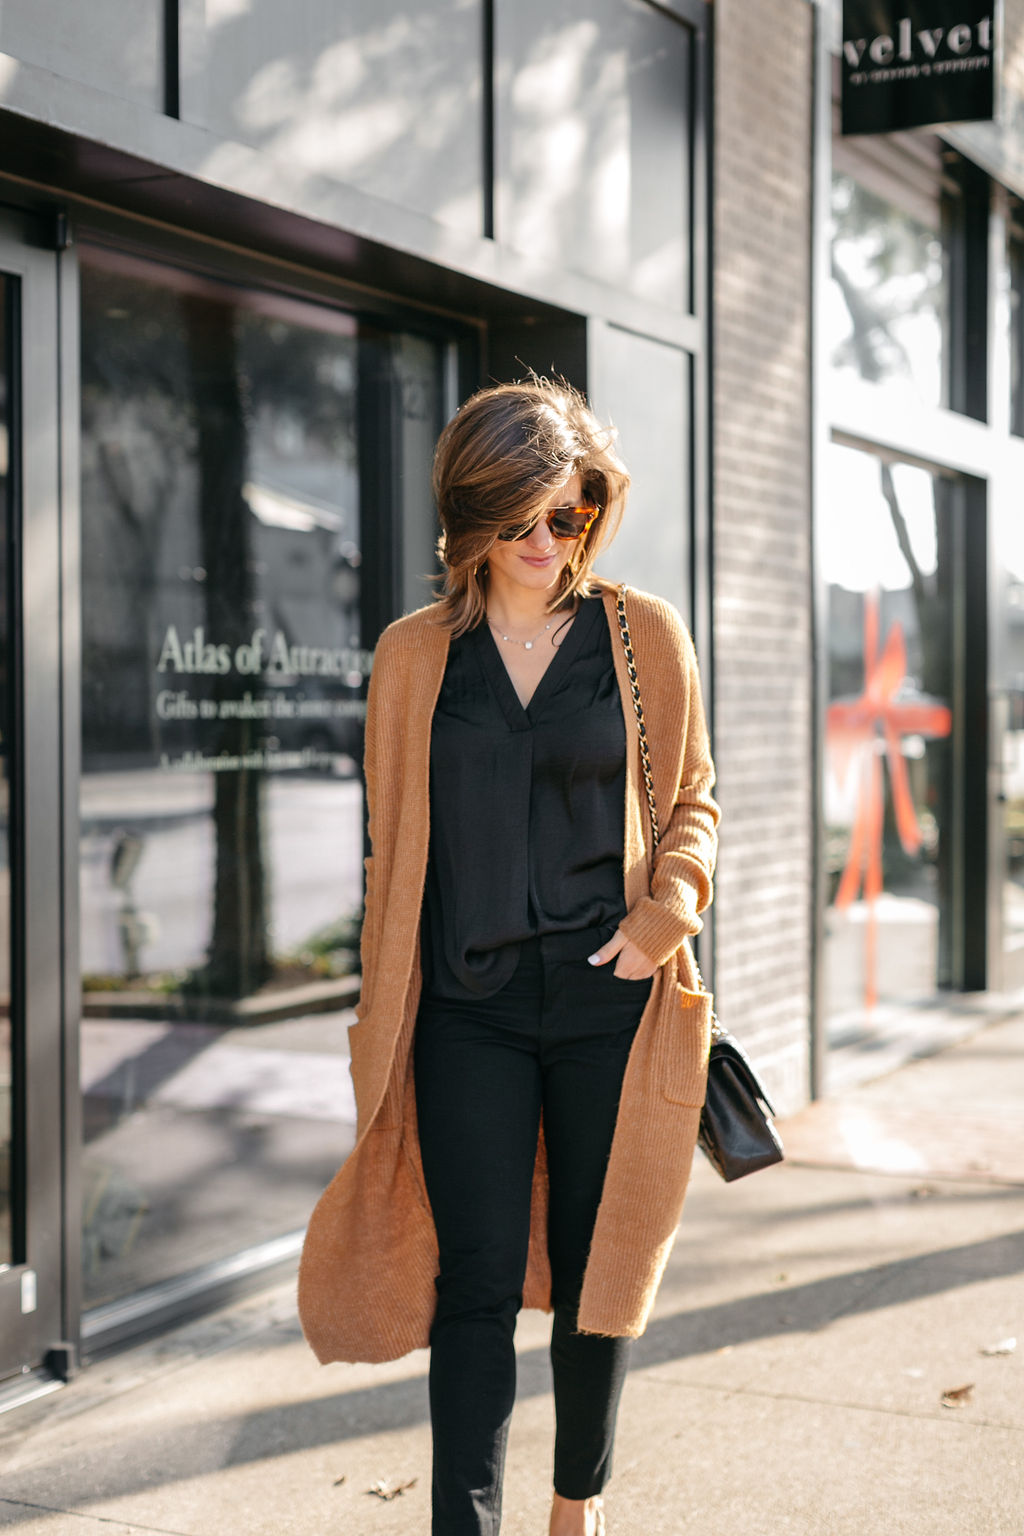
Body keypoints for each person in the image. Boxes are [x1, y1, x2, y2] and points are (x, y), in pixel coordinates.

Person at [298, 379, 720, 1536]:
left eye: (569, 517)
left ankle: (575, 1503)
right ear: (472, 520)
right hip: (466, 1011)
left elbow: (691, 799)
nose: (546, 544)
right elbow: (391, 851)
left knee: (599, 1276)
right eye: (521, 521)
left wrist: (661, 920)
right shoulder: (413, 656)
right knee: (473, 1288)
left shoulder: (641, 638)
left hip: (608, 1006)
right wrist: (381, 1020)